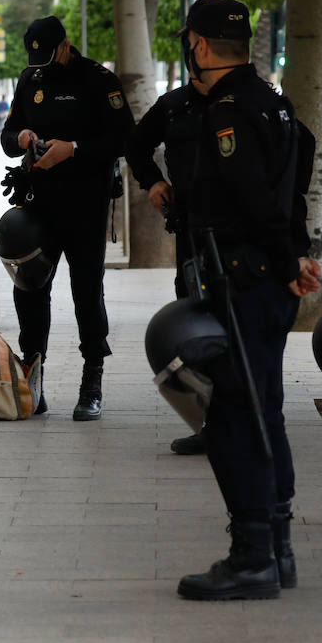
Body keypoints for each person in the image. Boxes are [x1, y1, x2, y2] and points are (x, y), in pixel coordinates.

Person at [173, 0, 320, 601]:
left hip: (243, 279)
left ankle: (253, 554)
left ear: (200, 47)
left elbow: (252, 196)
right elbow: (304, 157)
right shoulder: (277, 104)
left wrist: (286, 259)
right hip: (266, 277)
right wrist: (297, 252)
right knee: (265, 408)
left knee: (236, 415)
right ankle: (276, 546)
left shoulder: (227, 111)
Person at [0, 15, 134, 421]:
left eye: (49, 55)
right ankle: (32, 375)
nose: (42, 64)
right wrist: (21, 139)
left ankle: (92, 378)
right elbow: (8, 138)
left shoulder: (97, 79)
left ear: (65, 44)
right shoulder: (30, 80)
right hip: (39, 202)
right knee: (30, 289)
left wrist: (73, 149)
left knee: (86, 292)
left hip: (86, 203)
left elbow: (124, 136)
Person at [125, 75, 211, 454]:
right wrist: (154, 182)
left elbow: (301, 148)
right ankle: (210, 422)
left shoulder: (254, 99)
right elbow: (136, 145)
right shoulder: (176, 104)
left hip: (247, 236)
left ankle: (255, 421)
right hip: (193, 228)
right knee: (195, 319)